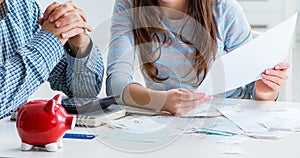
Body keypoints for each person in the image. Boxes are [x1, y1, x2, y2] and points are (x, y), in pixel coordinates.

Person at [106, 0, 289, 115]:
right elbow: (116, 83)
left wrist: (265, 90)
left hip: (229, 119)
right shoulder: (129, 5)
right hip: (169, 123)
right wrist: (160, 101)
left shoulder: (224, 8)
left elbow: (255, 90)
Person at [0, 0, 104, 119]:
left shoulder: (24, 8)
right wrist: (49, 42)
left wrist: (78, 44)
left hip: (18, 134)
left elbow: (84, 91)